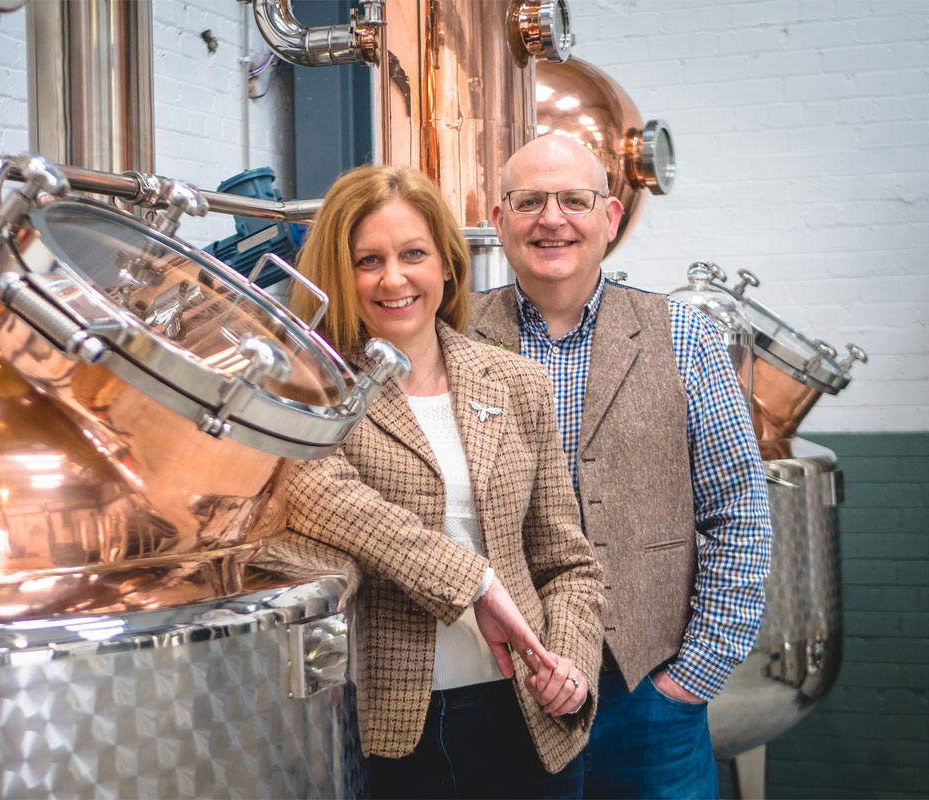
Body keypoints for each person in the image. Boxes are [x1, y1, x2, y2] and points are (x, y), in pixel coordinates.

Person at [286, 164, 605, 799]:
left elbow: (568, 563)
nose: (394, 278)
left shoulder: (515, 383)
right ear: (336, 276)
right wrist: (477, 583)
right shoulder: (308, 392)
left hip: (523, 719)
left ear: (447, 265)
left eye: (413, 254)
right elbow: (332, 501)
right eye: (367, 260)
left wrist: (568, 665)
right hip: (389, 725)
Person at [470, 134, 773, 799]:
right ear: (499, 222)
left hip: (647, 702)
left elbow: (740, 511)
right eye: (529, 202)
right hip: (497, 696)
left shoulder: (682, 336)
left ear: (609, 219)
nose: (553, 219)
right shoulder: (455, 335)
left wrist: (692, 677)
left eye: (574, 200)